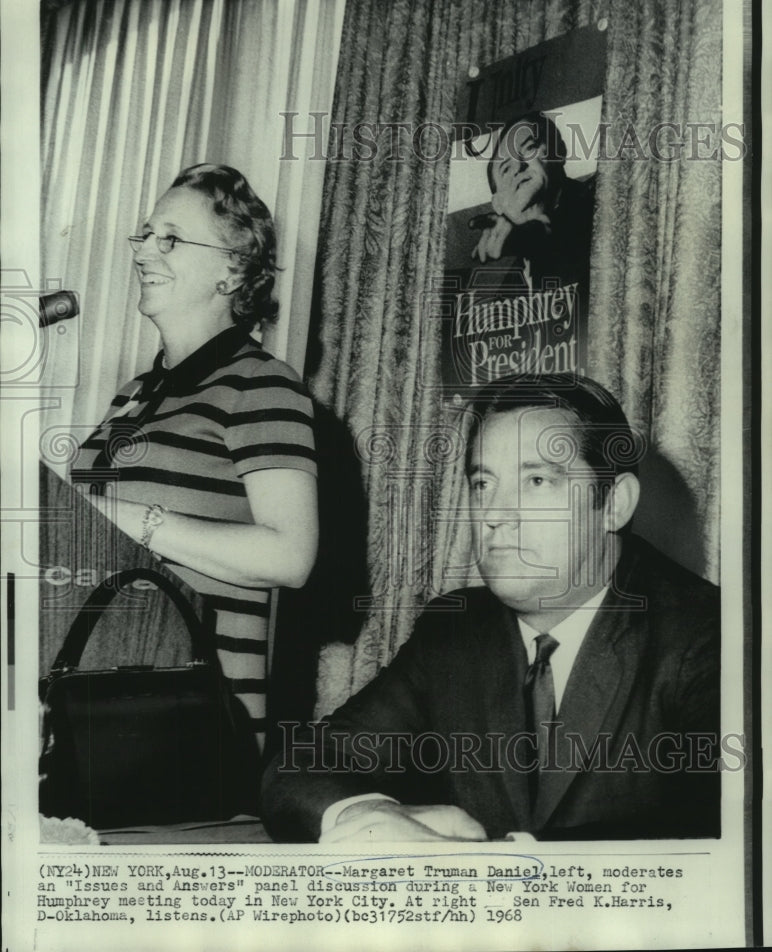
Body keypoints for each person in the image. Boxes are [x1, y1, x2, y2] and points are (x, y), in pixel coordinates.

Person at [261, 373, 720, 842]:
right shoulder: (456, 629)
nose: (496, 515)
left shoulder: (710, 636)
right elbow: (304, 764)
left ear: (614, 504)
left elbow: (721, 836)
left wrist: (483, 860)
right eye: (483, 484)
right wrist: (369, 814)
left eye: (536, 480)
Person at [70, 163, 318, 751]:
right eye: (146, 234)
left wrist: (128, 519)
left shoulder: (262, 386)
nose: (144, 251)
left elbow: (291, 556)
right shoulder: (133, 394)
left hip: (193, 732)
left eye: (172, 239)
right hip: (95, 706)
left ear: (232, 272)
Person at [471, 111, 595, 278]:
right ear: (497, 204)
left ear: (560, 152)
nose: (518, 168)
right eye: (505, 169)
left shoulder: (601, 198)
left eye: (529, 148)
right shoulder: (502, 293)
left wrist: (537, 235)